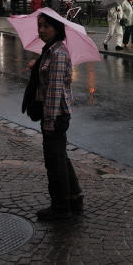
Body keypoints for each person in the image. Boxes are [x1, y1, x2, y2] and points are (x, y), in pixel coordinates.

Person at [28, 13, 82, 220]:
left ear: (57, 29)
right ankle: (75, 198)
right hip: (54, 113)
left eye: (46, 26)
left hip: (56, 114)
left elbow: (54, 91)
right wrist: (37, 67)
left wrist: (49, 121)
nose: (41, 30)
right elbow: (46, 78)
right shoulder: (49, 51)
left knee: (54, 161)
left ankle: (61, 208)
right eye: (39, 25)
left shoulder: (58, 53)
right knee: (60, 157)